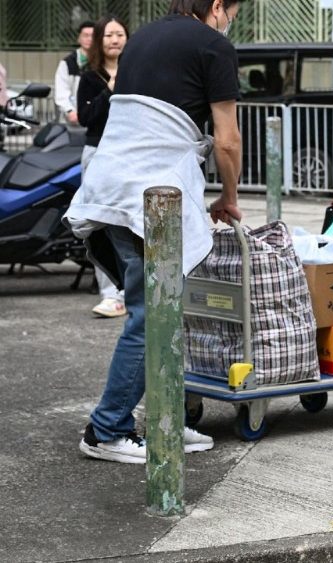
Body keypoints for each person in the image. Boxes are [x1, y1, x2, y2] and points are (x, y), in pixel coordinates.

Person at [64, 0, 245, 464]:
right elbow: (227, 138)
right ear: (219, 5)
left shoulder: (141, 37)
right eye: (233, 10)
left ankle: (165, 416)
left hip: (115, 185)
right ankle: (107, 429)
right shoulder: (213, 45)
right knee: (150, 316)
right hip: (150, 196)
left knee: (163, 311)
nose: (232, 20)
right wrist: (229, 197)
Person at [77, 16, 129, 318]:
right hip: (98, 151)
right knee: (98, 221)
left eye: (120, 34)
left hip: (127, 152)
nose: (114, 40)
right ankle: (110, 294)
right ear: (99, 40)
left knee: (125, 222)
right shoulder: (89, 76)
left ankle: (129, 289)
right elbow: (86, 118)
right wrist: (109, 89)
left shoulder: (137, 74)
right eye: (108, 35)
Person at [54, 21, 94, 126]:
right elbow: (61, 92)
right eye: (85, 35)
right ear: (79, 38)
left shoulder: (103, 61)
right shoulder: (68, 63)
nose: (89, 39)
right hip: (73, 121)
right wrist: (70, 111)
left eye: (93, 36)